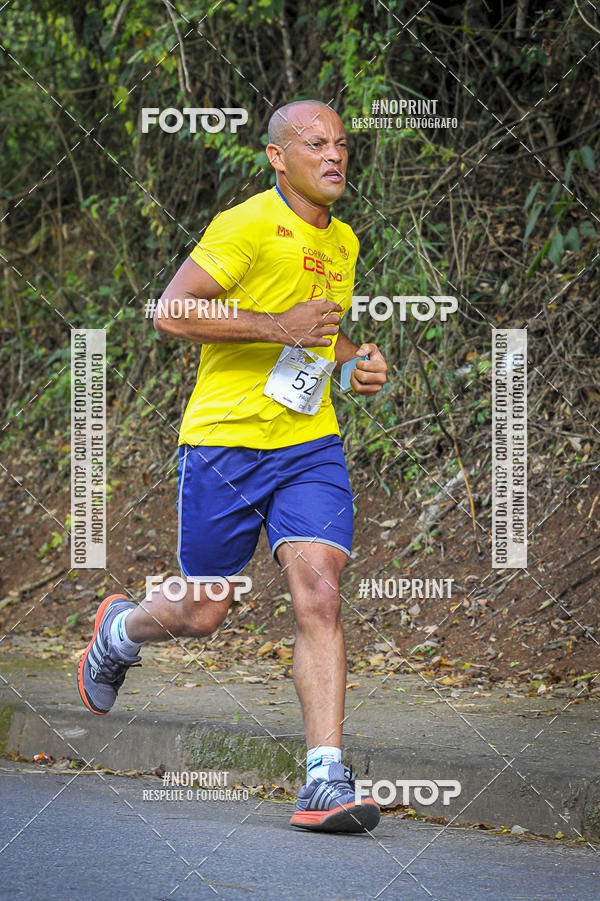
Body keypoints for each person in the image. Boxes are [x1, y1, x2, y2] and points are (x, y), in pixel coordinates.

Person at [78, 99, 388, 833]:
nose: (335, 156)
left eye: (342, 144)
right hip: (224, 445)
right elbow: (170, 310)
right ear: (278, 157)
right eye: (316, 144)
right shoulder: (246, 224)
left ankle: (324, 777)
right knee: (203, 609)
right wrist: (274, 325)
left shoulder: (343, 240)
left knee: (320, 593)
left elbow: (316, 339)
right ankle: (120, 631)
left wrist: (353, 366)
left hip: (308, 447)